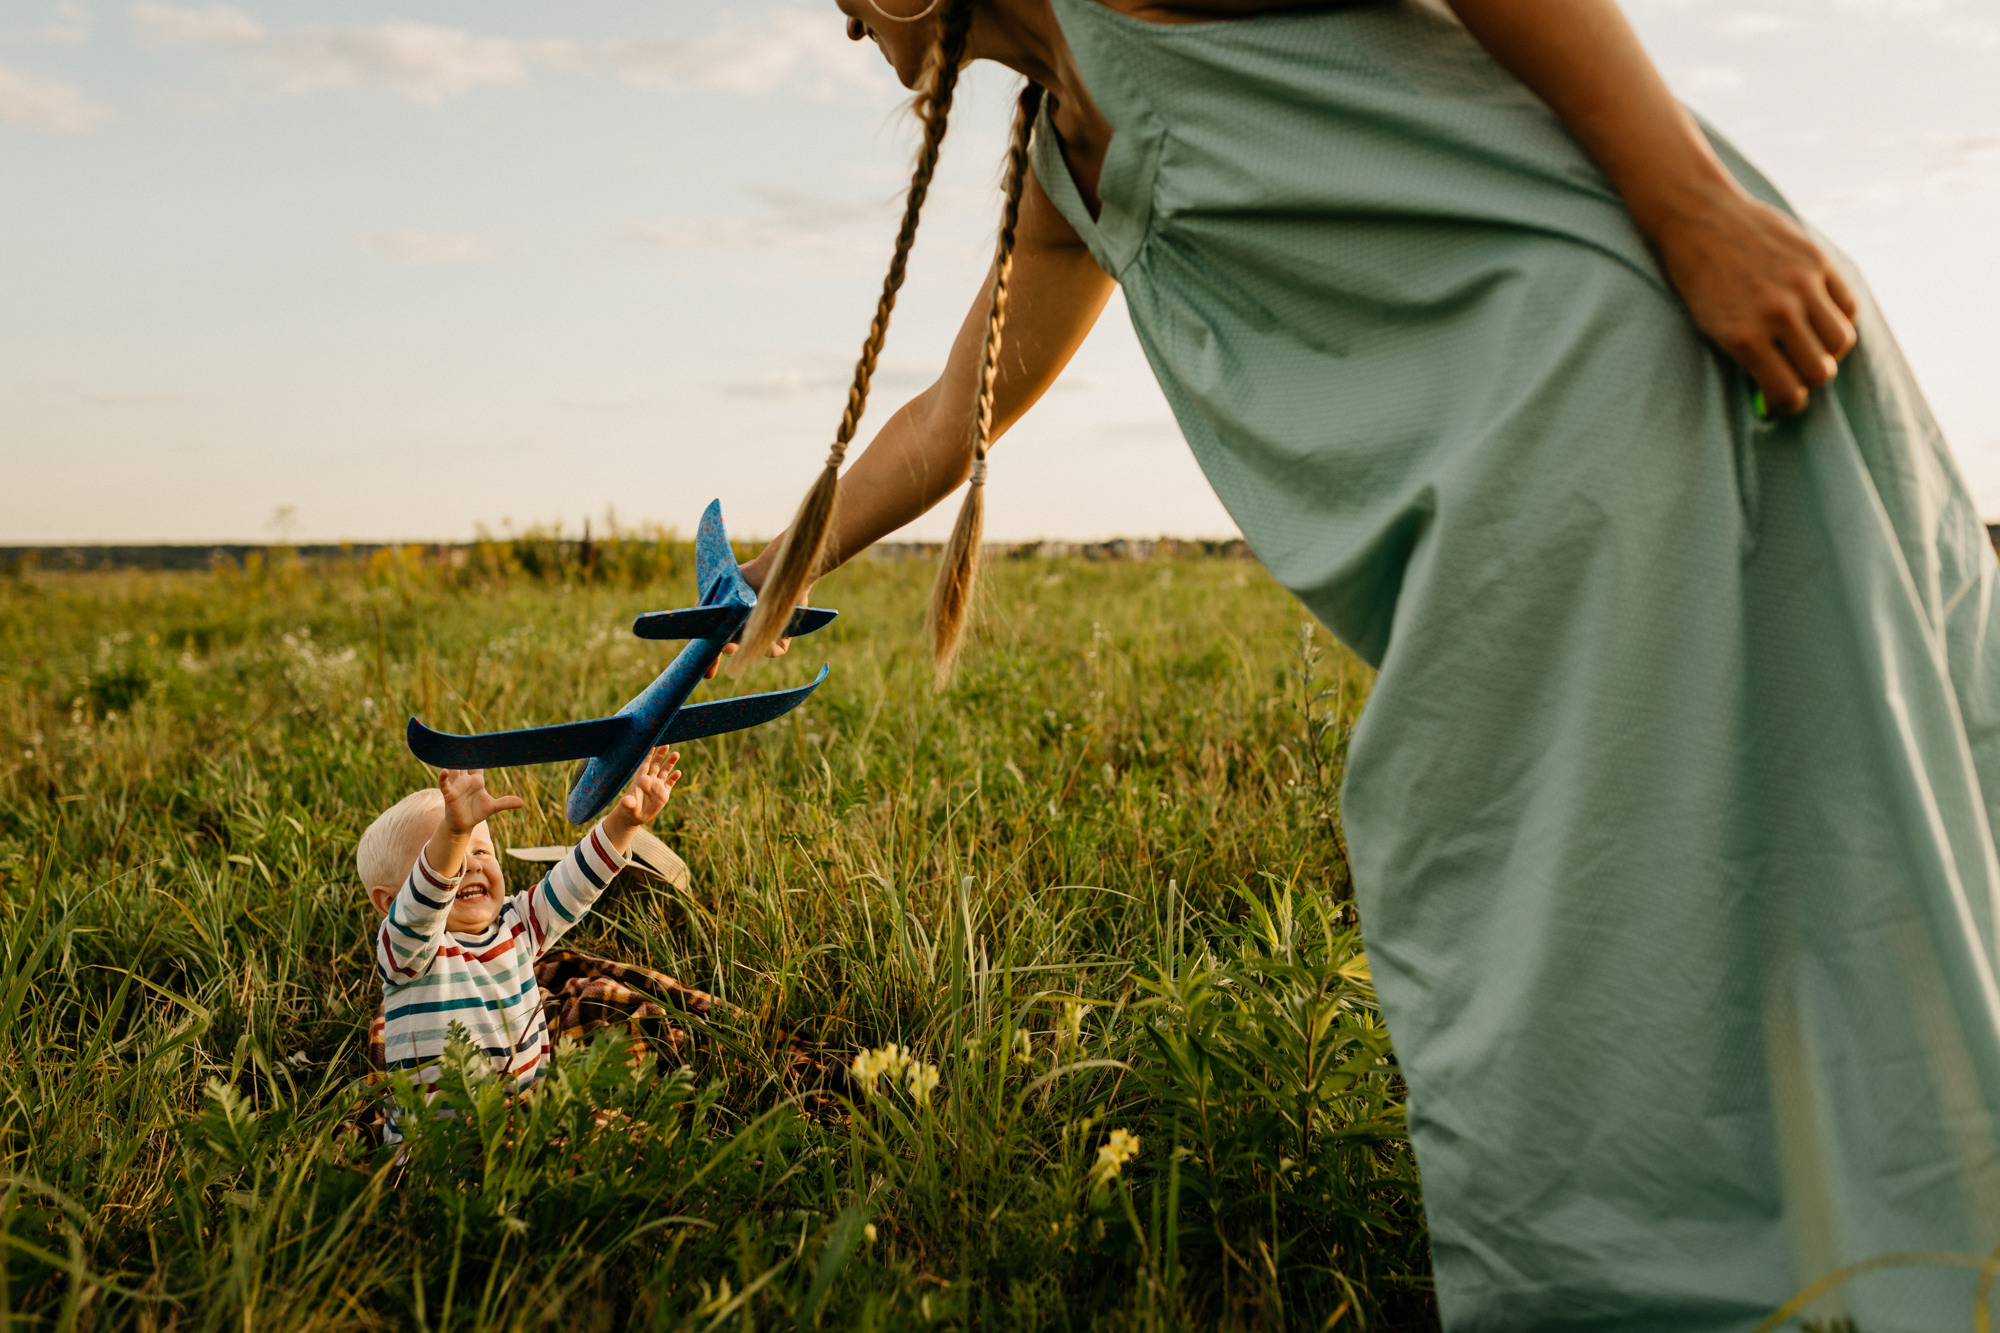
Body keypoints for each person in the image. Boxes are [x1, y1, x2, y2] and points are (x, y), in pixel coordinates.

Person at [722, 0, 2000, 1326]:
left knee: (1723, 881)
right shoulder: (1061, 169)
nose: (841, 21)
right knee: (1662, 903)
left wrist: (1698, 215)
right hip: (1536, 489)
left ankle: (1881, 1267)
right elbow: (951, 413)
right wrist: (784, 570)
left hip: (1648, 375)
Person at [357, 748, 704, 1100]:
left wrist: (624, 823)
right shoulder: (407, 951)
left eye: (480, 851)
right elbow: (422, 905)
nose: (472, 866)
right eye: (450, 857)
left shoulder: (516, 923)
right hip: (445, 1140)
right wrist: (453, 829)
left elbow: (573, 883)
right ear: (390, 903)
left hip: (530, 1113)